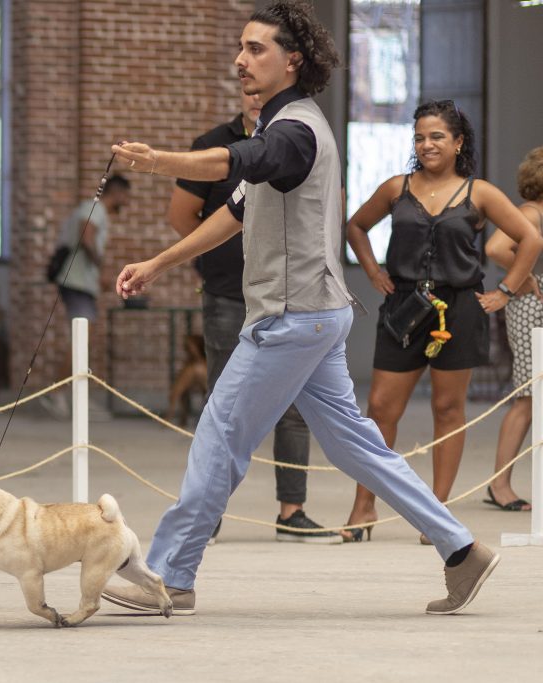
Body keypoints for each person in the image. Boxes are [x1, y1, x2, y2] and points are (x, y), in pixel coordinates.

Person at [100, 1, 512, 617]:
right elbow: (235, 211)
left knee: (219, 435)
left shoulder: (294, 132)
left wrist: (157, 161)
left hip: (291, 318)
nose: (241, 60)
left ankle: (167, 575)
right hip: (317, 313)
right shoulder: (280, 131)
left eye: (256, 49)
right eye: (240, 48)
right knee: (358, 447)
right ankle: (462, 550)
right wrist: (160, 262)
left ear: (293, 60)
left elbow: (226, 164)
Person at [343, 102, 542, 542]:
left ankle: (436, 515)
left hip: (460, 309)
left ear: (458, 142)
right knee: (379, 411)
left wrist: (506, 289)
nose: (426, 144)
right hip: (403, 308)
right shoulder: (397, 187)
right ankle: (363, 507)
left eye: (436, 136)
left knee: (448, 411)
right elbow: (356, 225)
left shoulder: (480, 193)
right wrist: (374, 272)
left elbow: (529, 238)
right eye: (419, 137)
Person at [168, 90, 338, 543]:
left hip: (290, 298)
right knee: (223, 405)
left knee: (297, 406)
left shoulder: (298, 137)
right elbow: (184, 213)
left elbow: (327, 206)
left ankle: (292, 508)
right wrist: (210, 258)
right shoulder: (212, 142)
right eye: (248, 88)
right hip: (228, 292)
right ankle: (209, 511)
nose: (255, 96)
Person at [482, 146, 543, 512]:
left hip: (534, 305)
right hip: (528, 309)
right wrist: (526, 280)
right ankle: (499, 484)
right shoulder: (530, 213)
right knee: (527, 398)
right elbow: (495, 247)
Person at [40, 175, 130, 419]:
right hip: (76, 282)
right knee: (81, 337)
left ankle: (74, 396)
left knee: (84, 339)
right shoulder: (95, 208)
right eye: (126, 196)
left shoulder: (95, 210)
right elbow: (87, 236)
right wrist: (101, 268)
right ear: (117, 193)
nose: (127, 201)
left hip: (81, 283)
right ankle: (56, 392)